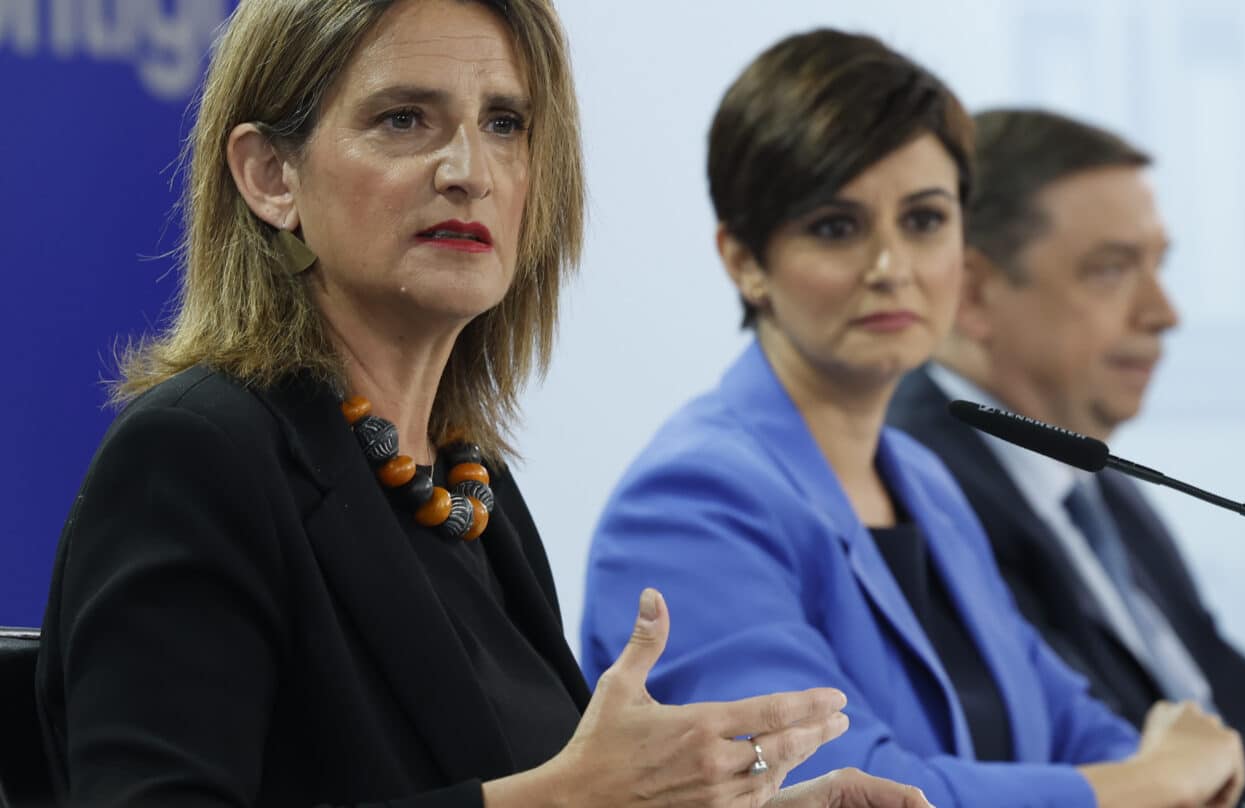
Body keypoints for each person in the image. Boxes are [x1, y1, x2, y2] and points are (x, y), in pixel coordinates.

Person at [34, 1, 940, 806]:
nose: (469, 169)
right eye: (403, 119)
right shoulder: (195, 458)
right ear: (273, 175)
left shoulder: (473, 488)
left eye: (505, 123)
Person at [582, 29, 1245, 808]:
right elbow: (853, 795)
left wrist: (1154, 771)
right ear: (744, 260)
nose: (891, 267)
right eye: (837, 226)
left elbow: (1082, 731)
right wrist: (1154, 781)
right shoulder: (689, 504)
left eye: (924, 220)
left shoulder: (923, 479)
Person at [884, 108, 1245, 803]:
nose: (1164, 312)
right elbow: (1125, 765)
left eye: (1158, 265)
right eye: (1111, 270)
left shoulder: (1092, 478)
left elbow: (1236, 713)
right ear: (974, 293)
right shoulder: (913, 484)